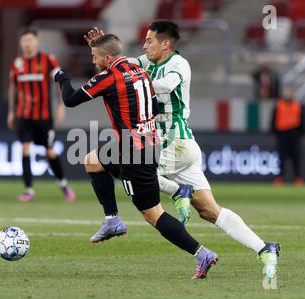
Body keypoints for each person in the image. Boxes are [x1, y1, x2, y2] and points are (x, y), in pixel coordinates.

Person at [85, 22, 281, 280]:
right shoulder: (145, 62)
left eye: (149, 41)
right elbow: (122, 65)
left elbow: (164, 85)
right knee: (210, 210)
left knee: (113, 164)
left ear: (166, 44)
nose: (144, 46)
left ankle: (177, 191)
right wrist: (103, 49)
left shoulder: (179, 65)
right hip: (180, 148)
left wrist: (133, 82)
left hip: (172, 144)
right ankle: (264, 248)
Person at [53, 34, 218, 280]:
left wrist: (62, 77)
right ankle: (112, 220)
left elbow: (70, 100)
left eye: (95, 56)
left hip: (134, 153)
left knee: (153, 214)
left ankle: (201, 253)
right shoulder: (138, 70)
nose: (93, 60)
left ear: (107, 58)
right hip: (147, 145)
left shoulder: (109, 77)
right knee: (92, 160)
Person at [8, 27, 75, 202]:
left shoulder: (47, 60)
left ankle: (63, 184)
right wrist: (10, 111)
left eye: (30, 40)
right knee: (25, 148)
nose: (27, 44)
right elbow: (13, 88)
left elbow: (59, 81)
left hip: (44, 116)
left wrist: (61, 105)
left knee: (50, 151)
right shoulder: (17, 63)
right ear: (20, 43)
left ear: (36, 42)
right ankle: (29, 190)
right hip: (23, 115)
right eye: (24, 41)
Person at [271, 86, 304, 187]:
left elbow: (302, 121)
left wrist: (301, 133)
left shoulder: (297, 105)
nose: (288, 94)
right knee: (281, 158)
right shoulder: (279, 105)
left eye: (290, 92)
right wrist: (274, 132)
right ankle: (279, 178)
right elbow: (273, 120)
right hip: (282, 134)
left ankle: (297, 178)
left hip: (294, 134)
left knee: (296, 158)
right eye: (287, 92)